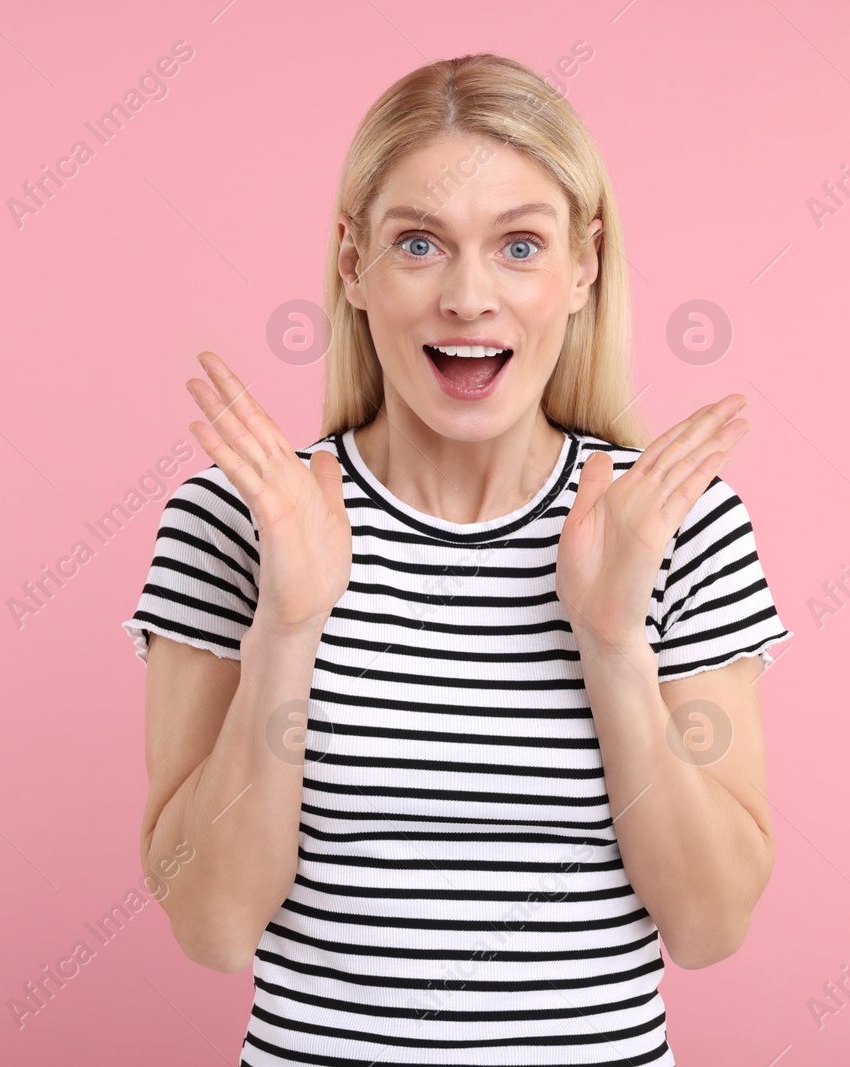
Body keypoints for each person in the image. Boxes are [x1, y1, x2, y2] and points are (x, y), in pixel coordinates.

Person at [122, 52, 793, 1067]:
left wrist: (612, 645)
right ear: (353, 265)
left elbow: (708, 927)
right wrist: (286, 629)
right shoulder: (238, 515)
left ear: (584, 266)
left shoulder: (678, 525)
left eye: (520, 244)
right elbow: (212, 930)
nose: (469, 296)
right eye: (421, 243)